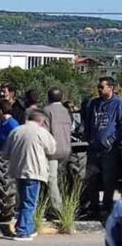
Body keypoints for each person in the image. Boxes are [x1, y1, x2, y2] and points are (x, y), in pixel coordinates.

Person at [4, 109, 57, 241]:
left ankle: (29, 227)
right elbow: (52, 149)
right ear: (41, 120)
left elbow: (5, 152)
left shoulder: (16, 131)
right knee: (29, 202)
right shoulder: (41, 132)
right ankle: (22, 231)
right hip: (34, 171)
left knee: (24, 201)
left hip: (18, 171)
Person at [82, 77, 122, 220]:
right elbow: (87, 122)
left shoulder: (118, 103)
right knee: (91, 179)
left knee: (108, 180)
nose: (99, 89)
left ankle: (106, 208)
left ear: (110, 88)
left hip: (109, 150)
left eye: (101, 87)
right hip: (93, 149)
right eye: (98, 87)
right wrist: (88, 137)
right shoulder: (94, 103)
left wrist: (112, 139)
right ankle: (93, 208)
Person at [42, 87, 73, 217]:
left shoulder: (47, 110)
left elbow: (44, 131)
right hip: (66, 148)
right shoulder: (66, 111)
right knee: (61, 180)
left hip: (53, 150)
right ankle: (60, 205)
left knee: (51, 179)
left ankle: (57, 209)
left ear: (48, 97)